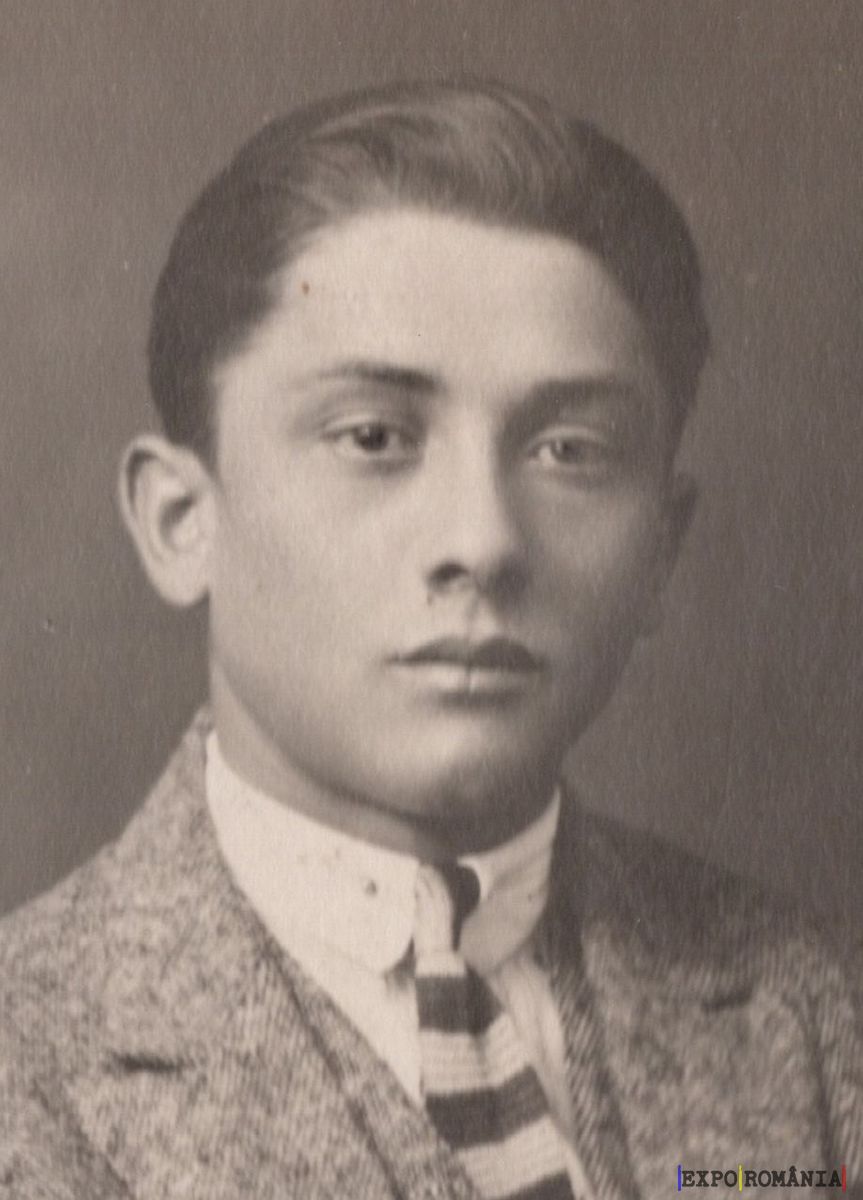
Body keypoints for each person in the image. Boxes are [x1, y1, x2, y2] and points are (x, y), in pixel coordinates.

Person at [0, 80, 859, 1199]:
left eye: (567, 450)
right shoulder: (29, 1060)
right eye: (373, 436)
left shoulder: (814, 1010)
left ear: (660, 548)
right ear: (181, 522)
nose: (482, 541)